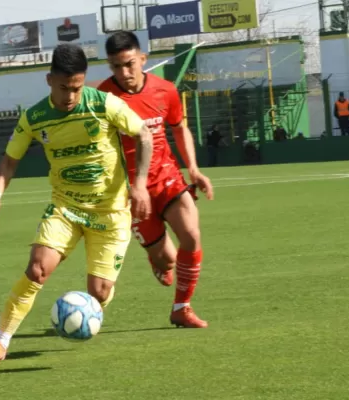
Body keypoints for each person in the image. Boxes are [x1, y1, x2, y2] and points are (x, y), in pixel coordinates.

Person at [0, 43, 153, 364]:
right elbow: (10, 161)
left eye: (77, 87)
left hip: (111, 214)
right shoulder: (35, 117)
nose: (71, 96)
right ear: (48, 80)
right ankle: (0, 343)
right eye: (63, 87)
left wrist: (139, 186)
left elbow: (144, 135)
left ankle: (89, 310)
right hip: (65, 209)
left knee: (98, 292)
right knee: (37, 269)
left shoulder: (104, 104)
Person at [98, 31, 213, 328]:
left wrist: (194, 169)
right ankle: (157, 259)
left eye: (129, 64)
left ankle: (181, 308)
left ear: (143, 59)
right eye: (115, 67)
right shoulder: (103, 98)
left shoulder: (165, 90)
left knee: (191, 233)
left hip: (166, 178)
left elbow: (178, 128)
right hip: (130, 191)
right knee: (167, 261)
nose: (123, 73)